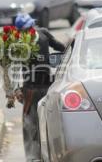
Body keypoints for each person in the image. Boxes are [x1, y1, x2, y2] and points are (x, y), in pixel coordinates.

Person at [14, 13, 66, 162]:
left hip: (47, 86)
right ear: (20, 31)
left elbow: (61, 47)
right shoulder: (17, 43)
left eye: (31, 26)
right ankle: (33, 158)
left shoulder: (43, 34)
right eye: (25, 29)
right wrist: (16, 88)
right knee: (30, 125)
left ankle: (49, 155)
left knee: (49, 121)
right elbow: (13, 67)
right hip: (29, 89)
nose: (30, 30)